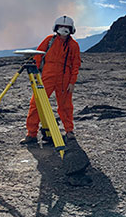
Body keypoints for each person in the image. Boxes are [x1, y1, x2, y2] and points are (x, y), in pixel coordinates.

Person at [20, 15, 81, 144]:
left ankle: (69, 131)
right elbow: (37, 56)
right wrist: (35, 74)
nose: (64, 29)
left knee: (65, 107)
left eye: (66, 27)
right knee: (36, 104)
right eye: (61, 26)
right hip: (47, 78)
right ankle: (31, 134)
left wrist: (72, 82)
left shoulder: (74, 45)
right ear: (56, 27)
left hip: (64, 80)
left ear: (71, 29)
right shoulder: (49, 41)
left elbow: (76, 64)